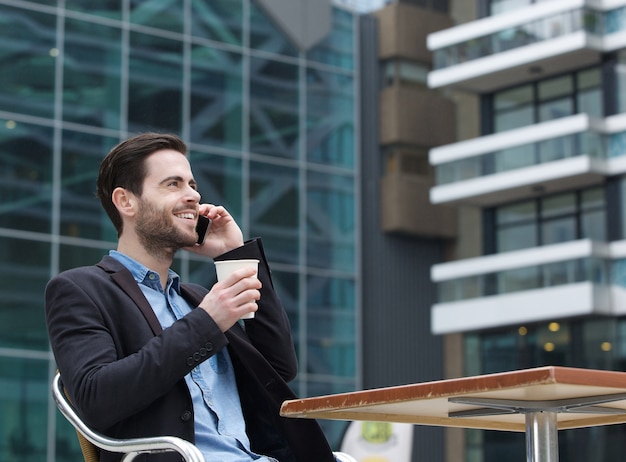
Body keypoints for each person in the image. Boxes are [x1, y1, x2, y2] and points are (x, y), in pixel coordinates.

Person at [45, 133, 337, 462]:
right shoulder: (81, 289)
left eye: (192, 185)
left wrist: (233, 256)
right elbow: (96, 400)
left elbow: (279, 367)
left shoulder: (196, 299)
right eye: (173, 184)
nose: (193, 197)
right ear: (126, 201)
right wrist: (207, 323)